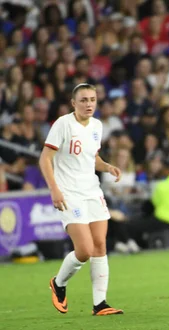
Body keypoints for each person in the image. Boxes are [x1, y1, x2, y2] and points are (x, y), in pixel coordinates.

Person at [39, 83, 123, 316]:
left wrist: (106, 166)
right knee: (84, 249)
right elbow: (45, 159)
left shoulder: (97, 125)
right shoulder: (63, 124)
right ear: (73, 103)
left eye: (92, 100)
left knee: (100, 245)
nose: (89, 104)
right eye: (83, 100)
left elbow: (91, 156)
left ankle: (100, 304)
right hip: (69, 192)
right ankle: (58, 283)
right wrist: (54, 189)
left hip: (92, 191)